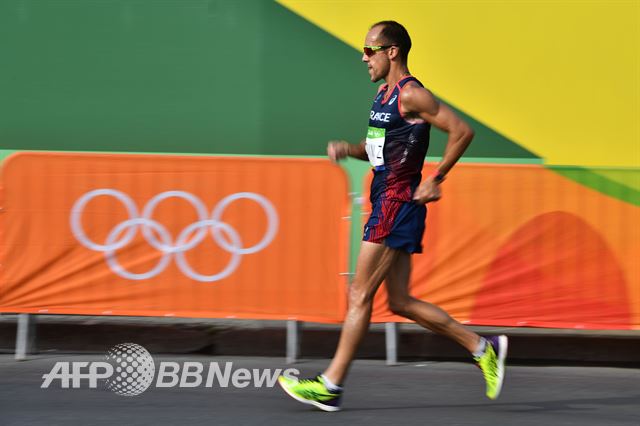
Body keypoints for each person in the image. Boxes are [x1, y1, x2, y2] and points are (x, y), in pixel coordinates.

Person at [278, 20, 507, 412]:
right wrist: (348, 149)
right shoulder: (383, 96)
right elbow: (377, 151)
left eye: (370, 50)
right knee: (399, 301)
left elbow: (462, 131)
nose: (363, 57)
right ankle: (481, 347)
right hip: (387, 199)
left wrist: (437, 178)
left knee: (359, 293)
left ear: (392, 52)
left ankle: (331, 385)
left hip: (397, 204)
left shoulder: (412, 94)